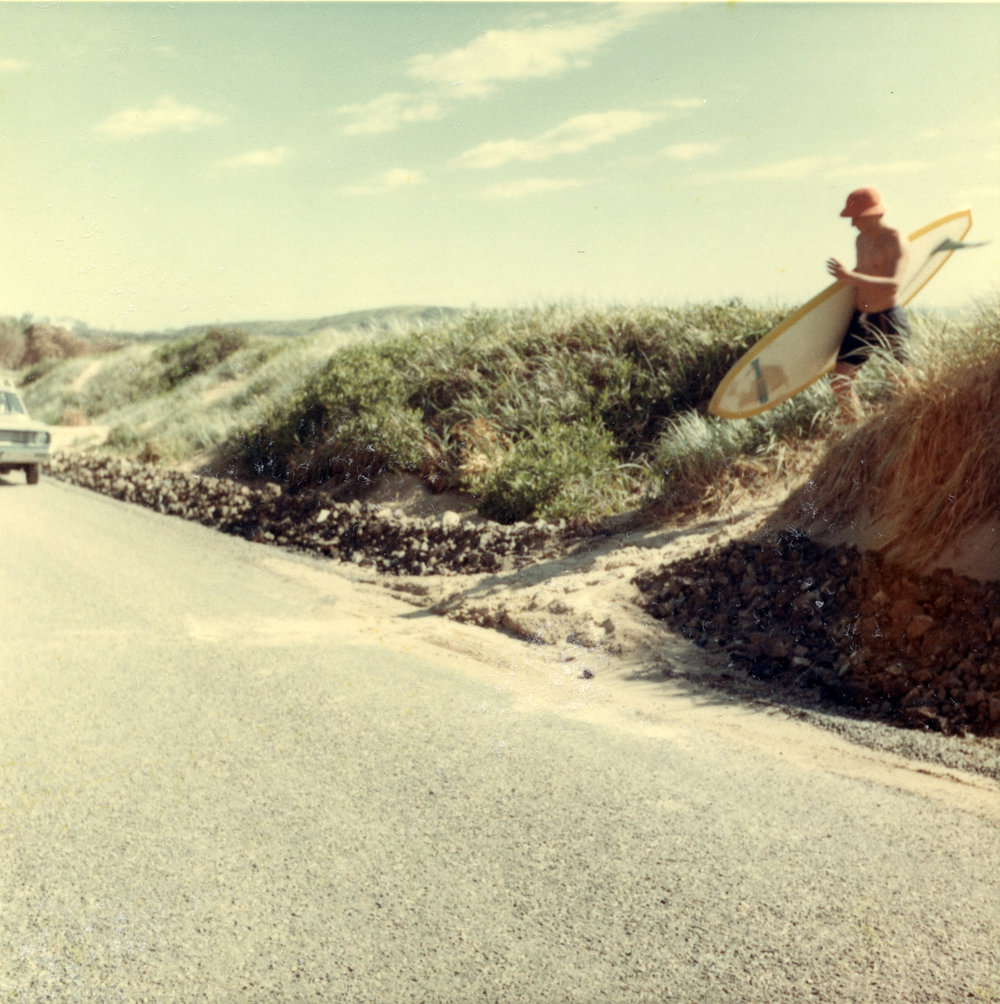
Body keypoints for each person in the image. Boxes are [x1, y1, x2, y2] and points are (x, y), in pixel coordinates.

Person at [825, 187, 911, 422]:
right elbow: (863, 274)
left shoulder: (896, 240)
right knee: (841, 381)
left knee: (901, 382)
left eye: (856, 217)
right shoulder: (860, 240)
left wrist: (849, 276)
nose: (852, 224)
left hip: (888, 318)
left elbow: (894, 284)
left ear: (872, 214)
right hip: (861, 318)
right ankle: (857, 432)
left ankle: (905, 433)